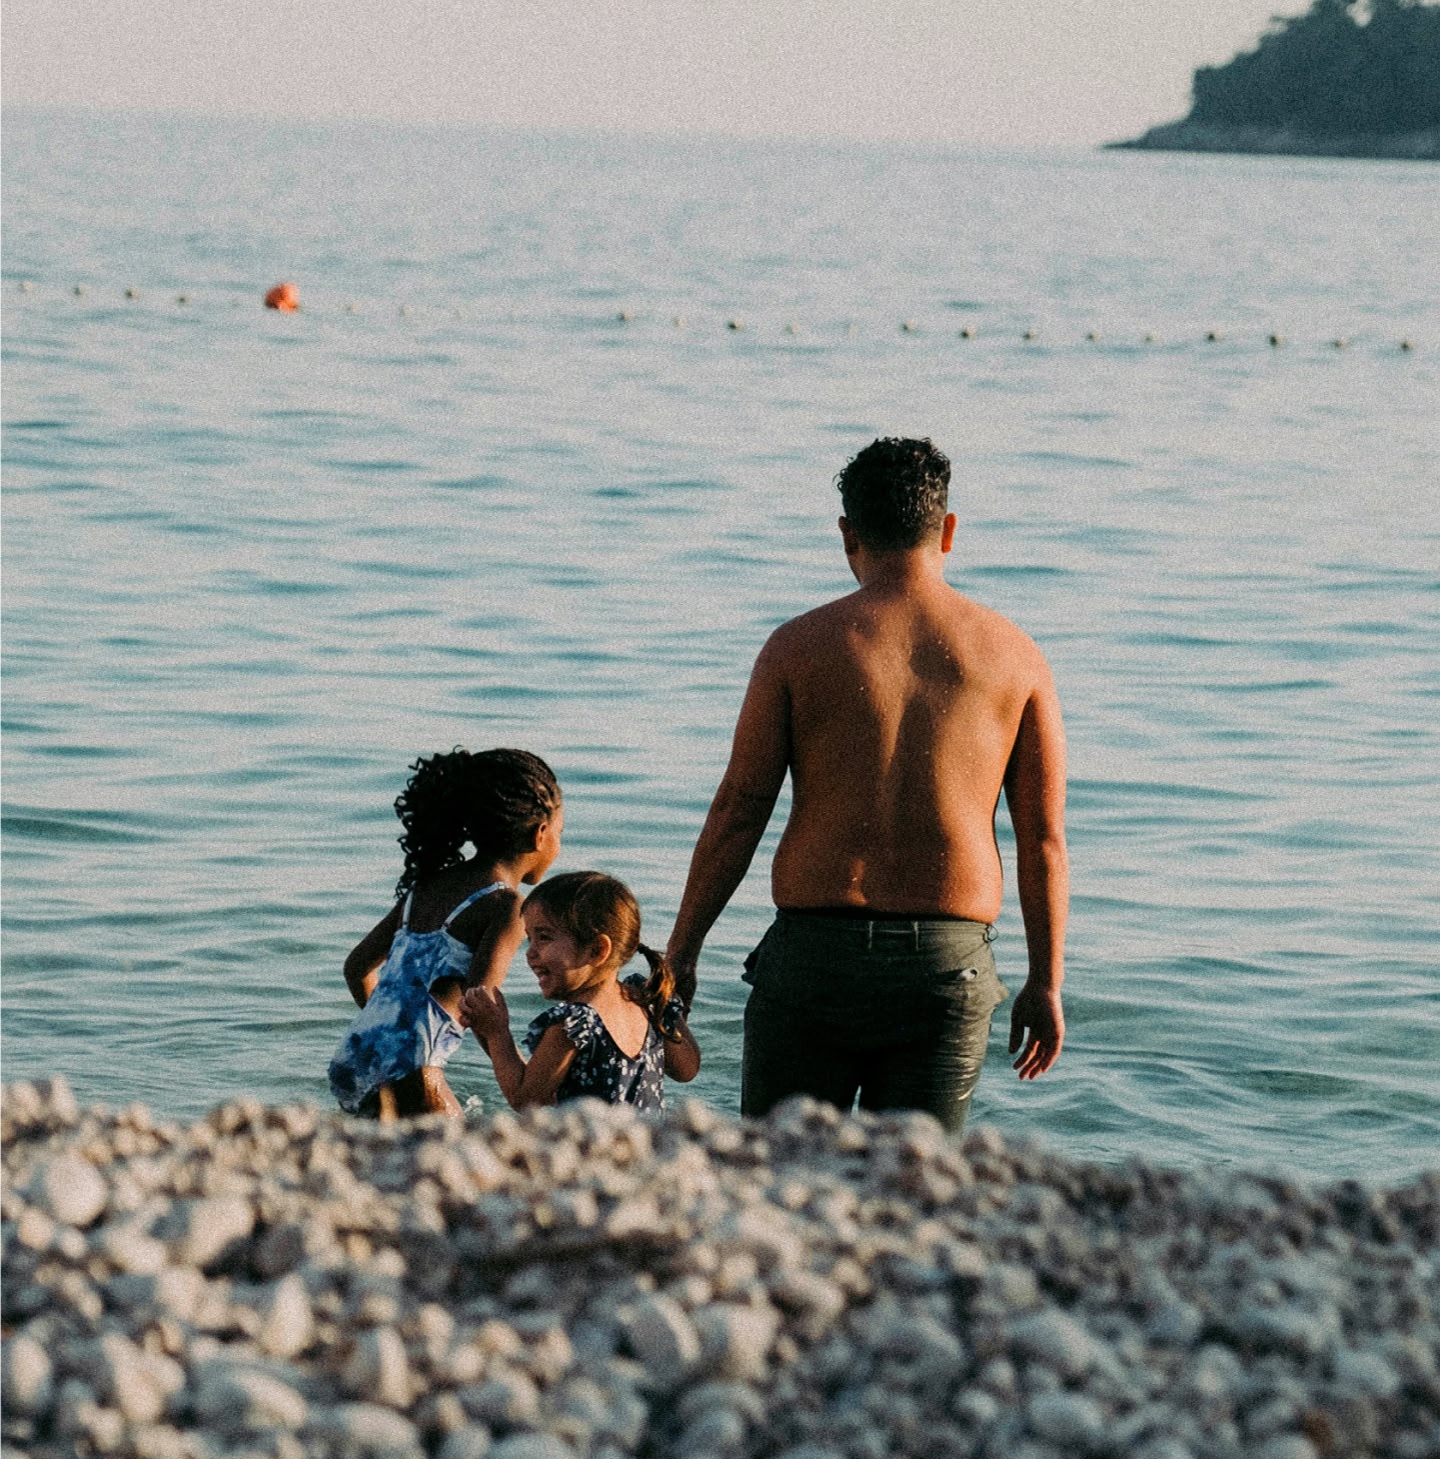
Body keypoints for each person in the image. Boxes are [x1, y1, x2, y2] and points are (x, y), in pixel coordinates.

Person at [665, 435, 1067, 1131]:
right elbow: (1044, 840)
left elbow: (738, 812)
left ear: (847, 533)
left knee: (777, 1181)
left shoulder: (797, 646)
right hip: (947, 967)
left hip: (813, 960)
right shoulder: (1016, 656)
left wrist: (683, 954)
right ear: (947, 530)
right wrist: (1045, 981)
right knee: (911, 1191)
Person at [329, 747, 563, 1119]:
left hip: (356, 1057)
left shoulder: (426, 887)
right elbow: (480, 1006)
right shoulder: (507, 906)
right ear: (541, 834)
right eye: (560, 834)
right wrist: (523, 1078)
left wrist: (389, 1036)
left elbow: (356, 967)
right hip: (414, 1072)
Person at [460, 870, 700, 1112]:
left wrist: (496, 1032)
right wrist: (666, 1007)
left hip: (587, 1147)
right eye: (529, 939)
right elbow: (687, 1069)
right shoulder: (645, 1002)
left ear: (597, 950)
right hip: (642, 1145)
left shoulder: (574, 1024)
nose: (530, 953)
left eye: (543, 937)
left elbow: (525, 1100)